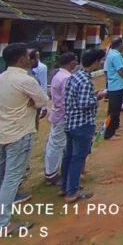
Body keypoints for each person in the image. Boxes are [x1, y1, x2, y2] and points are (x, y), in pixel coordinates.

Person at [0, 43, 49, 234]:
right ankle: (2, 223)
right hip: (20, 133)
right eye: (28, 56)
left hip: (2, 133)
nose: (31, 59)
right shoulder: (25, 80)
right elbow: (42, 101)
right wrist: (31, 104)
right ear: (22, 59)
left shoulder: (0, 78)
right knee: (11, 178)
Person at [62, 49, 107, 202]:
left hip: (70, 123)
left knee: (68, 157)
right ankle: (72, 192)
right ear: (94, 62)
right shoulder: (85, 80)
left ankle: (65, 187)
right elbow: (83, 104)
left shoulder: (74, 77)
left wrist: (92, 95)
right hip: (82, 124)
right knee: (78, 158)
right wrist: (98, 97)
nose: (101, 63)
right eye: (100, 61)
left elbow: (74, 99)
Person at [43, 52, 77, 185]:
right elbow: (67, 99)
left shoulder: (58, 75)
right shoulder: (66, 78)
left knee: (55, 143)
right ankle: (51, 174)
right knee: (56, 144)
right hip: (63, 115)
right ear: (72, 63)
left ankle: (51, 170)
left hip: (58, 114)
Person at [104, 38, 123, 140]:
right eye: (122, 44)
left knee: (114, 111)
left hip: (116, 86)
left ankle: (112, 130)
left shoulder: (112, 54)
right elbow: (120, 71)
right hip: (117, 86)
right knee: (113, 112)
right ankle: (109, 133)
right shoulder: (115, 55)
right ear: (119, 45)